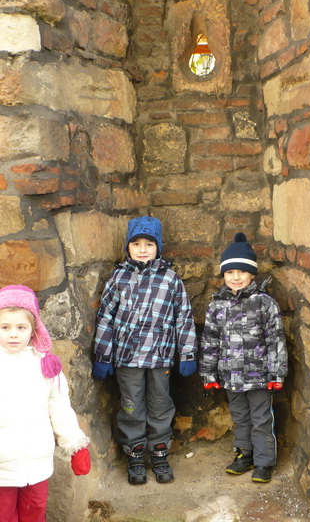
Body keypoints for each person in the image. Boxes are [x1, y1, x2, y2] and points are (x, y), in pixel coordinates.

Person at [93, 215, 197, 485]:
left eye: (149, 244)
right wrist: (103, 356)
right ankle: (135, 455)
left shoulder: (171, 279)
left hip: (160, 357)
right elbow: (105, 317)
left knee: (160, 405)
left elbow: (183, 317)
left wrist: (187, 354)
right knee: (131, 406)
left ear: (158, 247)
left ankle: (159, 453)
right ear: (127, 247)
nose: (142, 249)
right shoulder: (118, 279)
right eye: (136, 244)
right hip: (127, 358)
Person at [200, 233, 287, 483]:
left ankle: (263, 462)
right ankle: (244, 454)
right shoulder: (216, 306)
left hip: (260, 377)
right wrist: (209, 374)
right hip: (231, 376)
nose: (235, 277)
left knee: (261, 418)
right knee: (240, 417)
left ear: (252, 274)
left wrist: (277, 374)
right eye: (230, 272)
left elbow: (276, 340)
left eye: (241, 272)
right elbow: (210, 342)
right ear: (223, 275)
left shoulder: (264, 304)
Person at [0, 284, 91, 522]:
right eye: (5, 327)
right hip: (1, 466)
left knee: (35, 512)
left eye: (21, 327)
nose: (13, 334)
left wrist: (75, 444)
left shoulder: (46, 365)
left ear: (34, 329)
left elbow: (60, 407)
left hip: (37, 462)